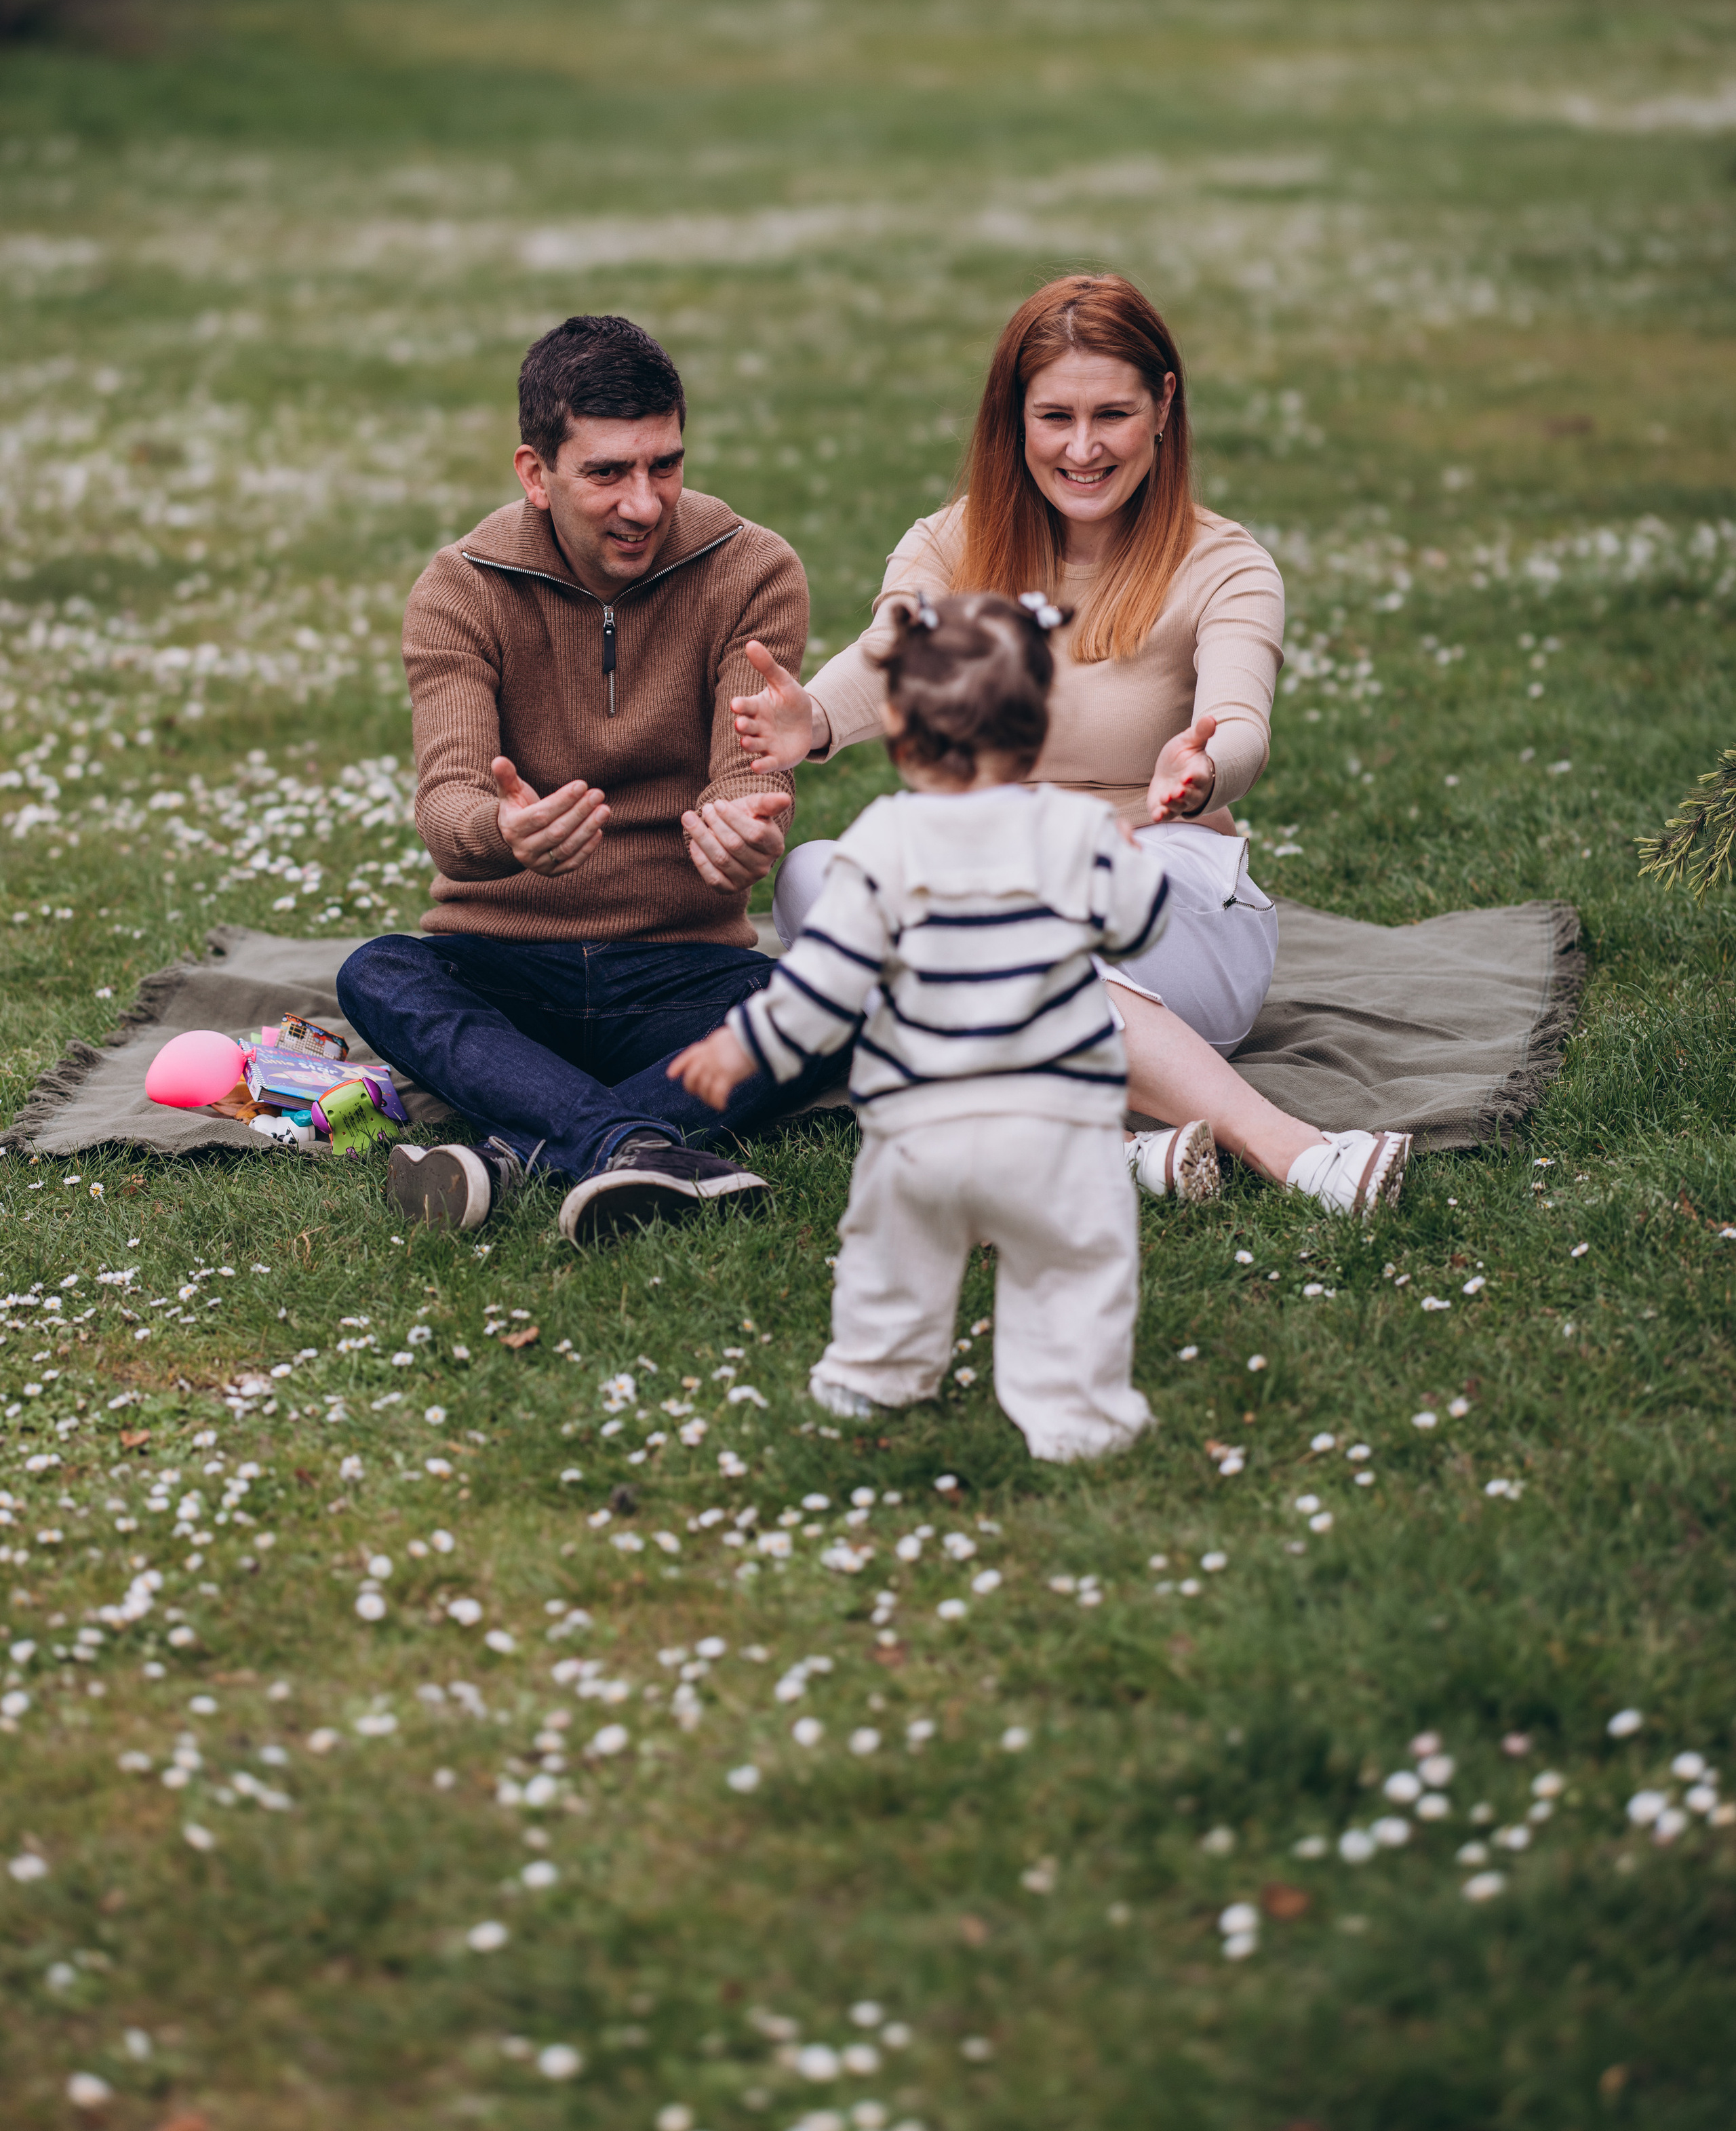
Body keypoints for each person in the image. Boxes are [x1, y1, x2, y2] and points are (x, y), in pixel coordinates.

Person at [728, 273, 1411, 1216]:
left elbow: (1242, 718)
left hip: (1165, 900)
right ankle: (1108, 1151)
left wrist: (1205, 766)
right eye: (1055, 416)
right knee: (815, 879)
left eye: (1112, 415)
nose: (1082, 449)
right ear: (1014, 418)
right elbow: (894, 651)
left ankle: (1295, 1150)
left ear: (1164, 405)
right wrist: (814, 720)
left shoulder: (1225, 564)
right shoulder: (951, 543)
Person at [336, 312, 848, 1241]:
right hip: (503, 969)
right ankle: (632, 1142)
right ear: (536, 473)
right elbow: (449, 802)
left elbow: (746, 777)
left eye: (665, 465)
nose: (644, 504)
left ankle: (513, 1151)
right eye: (608, 472)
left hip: (683, 972)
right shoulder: (462, 587)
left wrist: (746, 829)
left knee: (839, 999)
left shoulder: (752, 569)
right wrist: (506, 833)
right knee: (379, 973)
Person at [672, 591, 1170, 1462]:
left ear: (898, 726)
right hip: (1053, 1126)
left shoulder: (883, 842)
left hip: (919, 1125)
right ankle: (1077, 1418)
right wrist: (1134, 873)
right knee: (1072, 1265)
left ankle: (874, 1373)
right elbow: (1138, 929)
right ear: (1042, 722)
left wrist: (744, 1043)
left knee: (893, 1254)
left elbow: (826, 982)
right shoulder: (1080, 829)